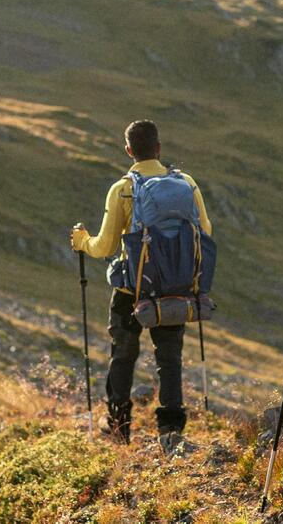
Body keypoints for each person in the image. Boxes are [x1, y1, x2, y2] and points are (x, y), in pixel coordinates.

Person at [72, 120, 213, 451]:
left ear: (129, 151)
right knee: (169, 359)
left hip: (130, 291)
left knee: (123, 355)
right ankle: (171, 431)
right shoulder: (187, 184)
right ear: (159, 148)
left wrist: (81, 242)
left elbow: (106, 247)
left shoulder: (123, 188)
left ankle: (120, 429)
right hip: (175, 289)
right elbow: (204, 231)